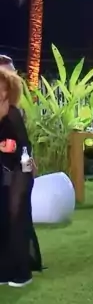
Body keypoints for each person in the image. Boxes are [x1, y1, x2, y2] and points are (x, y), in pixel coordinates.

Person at [0, 65, 43, 287]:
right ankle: (5, 271)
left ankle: (22, 272)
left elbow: (25, 146)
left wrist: (13, 148)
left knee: (17, 217)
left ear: (8, 91)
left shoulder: (12, 112)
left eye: (2, 87)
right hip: (3, 174)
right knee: (3, 220)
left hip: (19, 172)